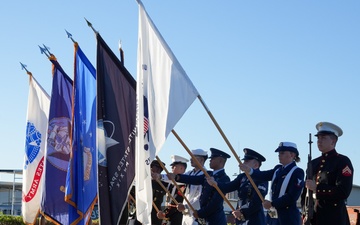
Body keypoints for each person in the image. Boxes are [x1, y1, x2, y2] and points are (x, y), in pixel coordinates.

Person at [240, 142, 304, 225]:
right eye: (279, 153)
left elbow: (292, 196)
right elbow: (263, 175)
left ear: (292, 155)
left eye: (282, 153)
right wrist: (249, 170)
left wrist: (272, 204)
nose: (279, 155)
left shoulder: (297, 172)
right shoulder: (277, 169)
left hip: (288, 216)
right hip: (273, 216)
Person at [303, 122, 353, 225]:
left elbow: (343, 191)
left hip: (333, 218)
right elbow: (306, 192)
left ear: (333, 141)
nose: (319, 141)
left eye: (323, 138)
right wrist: (304, 213)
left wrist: (317, 188)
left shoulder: (342, 161)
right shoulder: (313, 163)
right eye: (318, 138)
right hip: (314, 217)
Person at [207, 148, 268, 225]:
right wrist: (215, 184)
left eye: (246, 161)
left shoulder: (261, 178)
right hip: (241, 218)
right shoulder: (242, 177)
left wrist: (242, 212)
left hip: (254, 219)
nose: (243, 163)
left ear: (256, 165)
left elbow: (257, 201)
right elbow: (228, 187)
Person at [173, 148, 231, 225]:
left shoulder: (224, 178)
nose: (210, 160)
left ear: (220, 161)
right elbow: (193, 179)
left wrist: (201, 213)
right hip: (203, 217)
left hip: (215, 219)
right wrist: (177, 177)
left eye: (213, 158)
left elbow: (216, 202)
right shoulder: (208, 175)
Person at [177, 149, 208, 225]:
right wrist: (161, 177)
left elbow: (200, 197)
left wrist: (186, 206)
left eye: (193, 157)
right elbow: (177, 179)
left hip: (195, 214)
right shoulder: (190, 173)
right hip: (186, 214)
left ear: (201, 160)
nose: (191, 159)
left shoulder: (204, 174)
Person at [157, 155, 188, 225]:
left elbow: (177, 200)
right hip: (168, 213)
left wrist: (160, 176)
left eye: (174, 166)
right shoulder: (170, 183)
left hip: (178, 215)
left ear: (181, 168)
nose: (171, 168)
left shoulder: (185, 182)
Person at [151, 160, 168, 225]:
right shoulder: (144, 182)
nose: (157, 171)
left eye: (159, 170)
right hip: (143, 212)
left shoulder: (164, 184)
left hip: (157, 214)